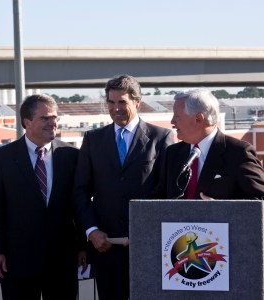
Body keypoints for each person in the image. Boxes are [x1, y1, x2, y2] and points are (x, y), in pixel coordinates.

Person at [73, 74, 175, 300]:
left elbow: (168, 193)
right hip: (104, 246)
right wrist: (91, 231)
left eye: (122, 102)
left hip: (149, 247)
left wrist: (147, 232)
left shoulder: (162, 137)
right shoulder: (93, 139)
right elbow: (80, 192)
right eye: (111, 102)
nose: (115, 108)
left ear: (137, 103)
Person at [0, 94, 87, 300]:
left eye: (55, 117)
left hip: (62, 261)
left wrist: (83, 247)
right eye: (45, 118)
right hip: (17, 261)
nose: (53, 123)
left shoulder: (71, 155)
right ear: (27, 122)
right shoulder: (2, 158)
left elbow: (78, 205)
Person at [156, 88, 264, 209]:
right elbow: (158, 198)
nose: (172, 121)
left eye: (177, 116)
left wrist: (222, 208)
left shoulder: (238, 153)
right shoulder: (172, 153)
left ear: (198, 119)